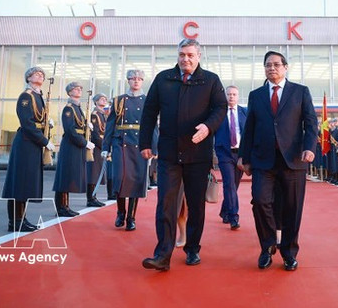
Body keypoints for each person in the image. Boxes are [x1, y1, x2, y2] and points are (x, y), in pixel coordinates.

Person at [140, 39, 227, 272]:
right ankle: (163, 255)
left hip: (198, 154)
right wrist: (145, 142)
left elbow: (221, 108)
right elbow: (149, 112)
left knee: (196, 205)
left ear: (199, 55)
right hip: (168, 153)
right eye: (182, 55)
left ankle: (193, 249)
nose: (185, 59)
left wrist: (208, 127)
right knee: (166, 203)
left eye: (190, 55)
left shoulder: (210, 81)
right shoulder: (164, 79)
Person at [239, 50, 318, 271]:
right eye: (267, 65)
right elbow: (249, 128)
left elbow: (311, 124)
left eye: (276, 64)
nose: (271, 68)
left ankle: (289, 253)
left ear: (285, 67)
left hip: (293, 160)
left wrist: (309, 148)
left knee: (293, 208)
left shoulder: (300, 92)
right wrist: (243, 157)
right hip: (263, 160)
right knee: (260, 201)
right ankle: (267, 246)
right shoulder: (256, 95)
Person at [2, 66, 56, 232]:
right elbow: (27, 123)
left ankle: (21, 218)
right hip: (26, 142)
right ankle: (16, 221)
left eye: (42, 74)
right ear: (28, 78)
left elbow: (38, 121)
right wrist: (44, 141)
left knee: (26, 183)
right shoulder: (26, 96)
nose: (40, 75)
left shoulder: (38, 97)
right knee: (20, 182)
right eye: (36, 73)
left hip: (33, 143)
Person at [102, 70, 149, 230]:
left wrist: (153, 147)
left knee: (136, 181)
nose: (136, 81)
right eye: (133, 78)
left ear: (142, 81)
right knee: (119, 178)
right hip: (120, 143)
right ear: (128, 80)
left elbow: (152, 127)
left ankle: (131, 217)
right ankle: (120, 212)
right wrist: (105, 146)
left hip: (139, 145)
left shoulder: (147, 101)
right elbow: (110, 125)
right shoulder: (118, 101)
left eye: (139, 79)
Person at [52, 82, 95, 217]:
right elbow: (70, 130)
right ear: (69, 92)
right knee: (65, 176)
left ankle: (65, 205)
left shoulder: (78, 108)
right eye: (75, 89)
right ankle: (61, 207)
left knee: (70, 175)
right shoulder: (69, 108)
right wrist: (84, 142)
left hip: (76, 145)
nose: (78, 90)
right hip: (71, 144)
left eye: (80, 88)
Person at [214, 85, 247, 230]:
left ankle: (224, 211)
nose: (231, 97)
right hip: (225, 153)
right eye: (229, 94)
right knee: (229, 184)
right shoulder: (218, 113)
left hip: (240, 154)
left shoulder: (245, 112)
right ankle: (234, 217)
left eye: (234, 94)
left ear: (238, 96)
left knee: (234, 185)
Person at [85, 93, 108, 207]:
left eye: (105, 99)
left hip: (101, 144)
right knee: (93, 173)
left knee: (97, 172)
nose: (104, 100)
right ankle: (90, 198)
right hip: (96, 146)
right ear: (96, 101)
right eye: (101, 99)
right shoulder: (95, 115)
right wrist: (104, 146)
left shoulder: (103, 114)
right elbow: (95, 134)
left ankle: (94, 196)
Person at [328, 118, 338, 185]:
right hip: (333, 148)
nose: (334, 123)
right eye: (334, 122)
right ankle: (335, 177)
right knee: (334, 164)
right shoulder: (333, 131)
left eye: (336, 122)